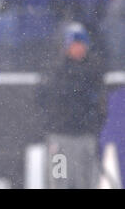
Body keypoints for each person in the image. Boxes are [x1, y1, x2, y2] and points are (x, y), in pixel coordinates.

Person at [37, 22, 106, 189]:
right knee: (59, 181)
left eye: (81, 44)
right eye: (75, 44)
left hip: (85, 136)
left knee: (86, 182)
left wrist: (93, 123)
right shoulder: (54, 69)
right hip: (60, 136)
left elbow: (100, 102)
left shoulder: (94, 69)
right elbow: (43, 100)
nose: (78, 48)